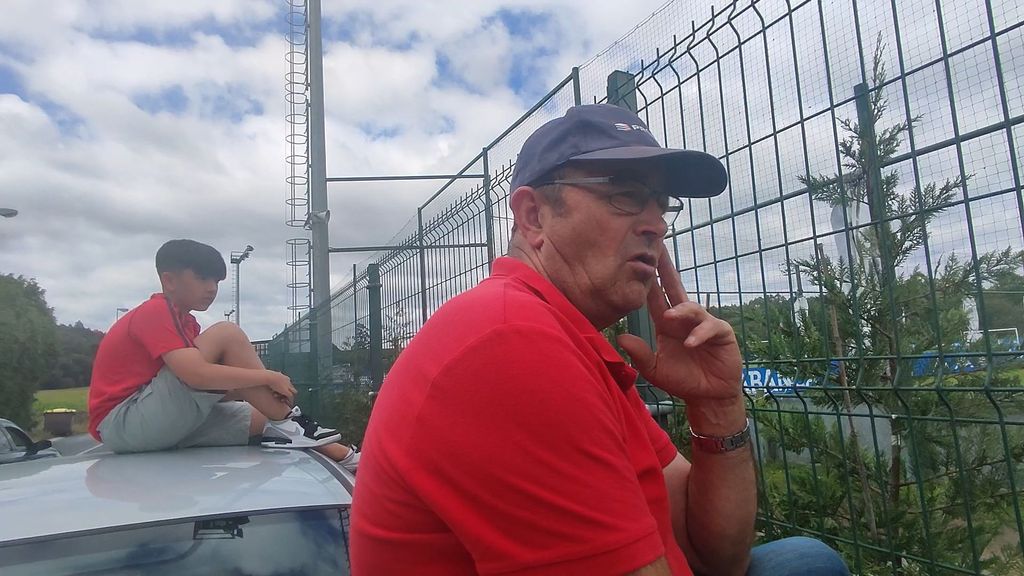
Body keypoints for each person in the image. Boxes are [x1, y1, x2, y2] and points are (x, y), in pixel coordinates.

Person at [350, 104, 847, 575]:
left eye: (661, 205)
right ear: (534, 216)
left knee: (804, 559)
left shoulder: (571, 340)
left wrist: (718, 405)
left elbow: (716, 556)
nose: (655, 226)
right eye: (625, 195)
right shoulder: (511, 344)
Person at [88, 239, 359, 472]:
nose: (212, 288)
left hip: (149, 423)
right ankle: (295, 425)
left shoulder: (188, 324)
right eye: (202, 278)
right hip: (124, 421)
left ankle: (344, 458)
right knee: (227, 333)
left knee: (264, 417)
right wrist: (268, 377)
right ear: (169, 280)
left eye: (216, 281)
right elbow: (196, 376)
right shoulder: (154, 312)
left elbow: (201, 386)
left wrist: (255, 392)